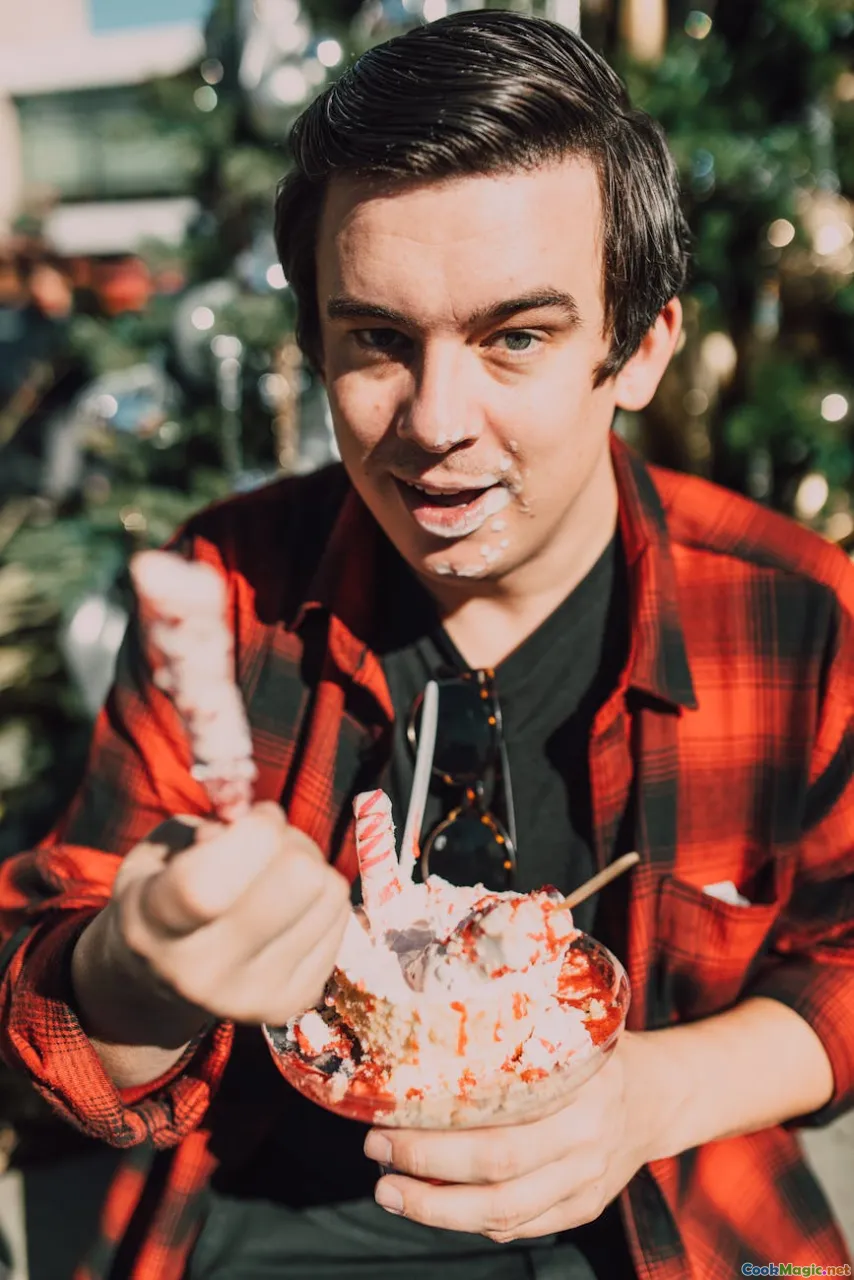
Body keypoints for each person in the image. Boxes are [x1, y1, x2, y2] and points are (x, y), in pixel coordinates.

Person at [0, 10, 852, 1279]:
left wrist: (649, 1095)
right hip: (256, 1228)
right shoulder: (230, 593)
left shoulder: (791, 613)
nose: (436, 420)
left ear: (636, 348)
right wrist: (137, 966)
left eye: (516, 336)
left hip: (650, 1223)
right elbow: (50, 1014)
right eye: (378, 340)